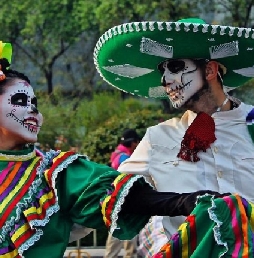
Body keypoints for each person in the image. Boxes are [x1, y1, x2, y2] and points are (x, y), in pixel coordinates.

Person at [0, 43, 225, 258]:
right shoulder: (158, 137)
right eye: (19, 101)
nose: (32, 110)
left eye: (35, 104)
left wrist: (184, 202)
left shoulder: (53, 173)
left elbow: (127, 196)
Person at [93, 17, 254, 256]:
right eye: (162, 71)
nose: (164, 80)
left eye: (175, 67)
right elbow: (111, 196)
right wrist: (176, 203)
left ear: (210, 70)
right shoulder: (157, 137)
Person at [105, 128, 140, 258]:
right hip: (124, 204)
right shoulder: (125, 159)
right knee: (122, 240)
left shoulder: (116, 155)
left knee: (123, 239)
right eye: (137, 142)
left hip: (117, 203)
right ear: (132, 143)